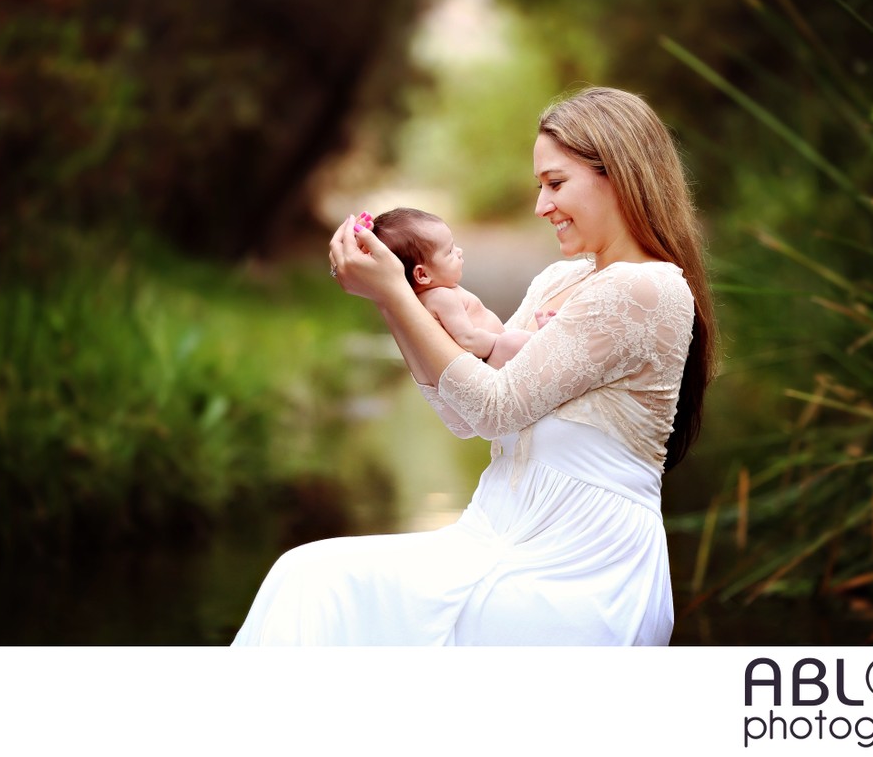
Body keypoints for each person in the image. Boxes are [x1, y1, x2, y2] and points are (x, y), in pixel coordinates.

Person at [232, 86, 717, 646]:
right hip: (496, 539)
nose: (541, 206)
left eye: (556, 184)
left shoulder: (645, 290)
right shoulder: (558, 280)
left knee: (320, 585)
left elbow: (494, 408)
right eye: (540, 187)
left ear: (621, 175)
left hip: (580, 569)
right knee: (305, 574)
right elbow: (465, 411)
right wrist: (398, 300)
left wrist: (396, 296)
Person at [366, 206, 554, 369]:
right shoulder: (441, 297)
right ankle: (540, 342)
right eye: (449, 251)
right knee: (516, 341)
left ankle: (535, 341)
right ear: (422, 275)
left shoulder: (422, 300)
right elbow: (467, 340)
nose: (459, 251)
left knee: (516, 340)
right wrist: (504, 342)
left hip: (493, 354)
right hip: (490, 359)